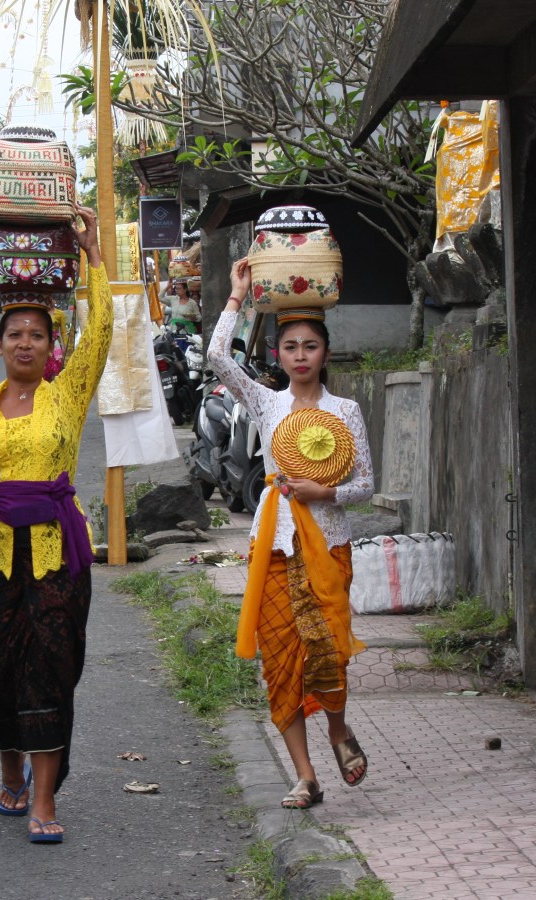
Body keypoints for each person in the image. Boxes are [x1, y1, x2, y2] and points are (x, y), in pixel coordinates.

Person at [0, 206, 112, 844]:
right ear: (0, 342)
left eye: (38, 335)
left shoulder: (67, 396)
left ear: (50, 346)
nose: (26, 343)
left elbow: (103, 330)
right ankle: (8, 763)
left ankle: (43, 800)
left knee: (51, 669)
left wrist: (93, 254)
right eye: (15, 334)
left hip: (56, 555)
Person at [206, 257, 373, 811]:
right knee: (280, 660)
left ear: (325, 353)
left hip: (327, 544)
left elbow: (366, 484)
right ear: (277, 355)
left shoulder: (345, 411)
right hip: (274, 545)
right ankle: (305, 776)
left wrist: (325, 493)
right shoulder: (267, 401)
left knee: (329, 653)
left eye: (310, 347)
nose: (300, 357)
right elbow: (215, 359)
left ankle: (338, 729)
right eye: (290, 347)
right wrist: (235, 297)